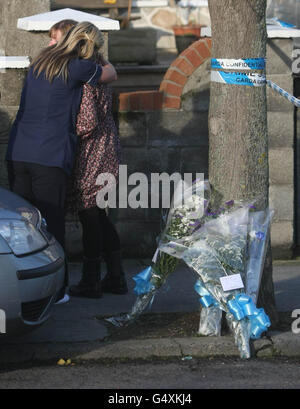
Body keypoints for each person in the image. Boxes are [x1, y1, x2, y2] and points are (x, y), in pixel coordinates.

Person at [6, 22, 117, 303]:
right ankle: (58, 290)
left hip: (19, 151)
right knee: (51, 223)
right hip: (50, 154)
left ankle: (20, 287)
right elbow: (110, 74)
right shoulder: (75, 67)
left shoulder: (41, 61)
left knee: (21, 225)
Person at [48, 20, 128, 299]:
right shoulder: (100, 68)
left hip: (92, 151)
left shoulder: (87, 76)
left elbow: (86, 122)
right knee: (100, 216)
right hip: (107, 147)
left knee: (90, 215)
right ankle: (116, 277)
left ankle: (91, 281)